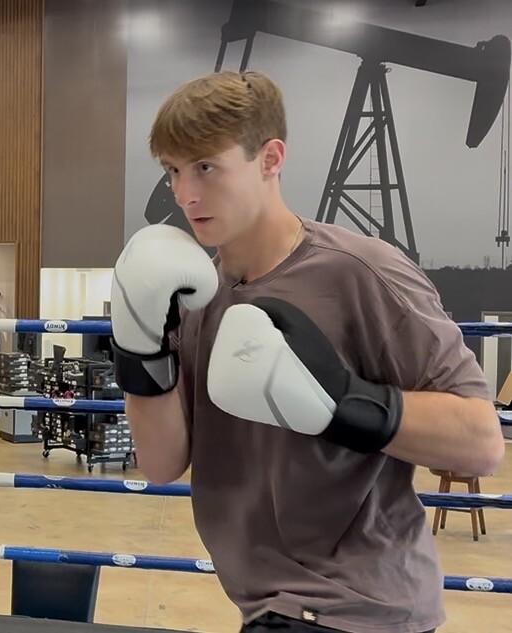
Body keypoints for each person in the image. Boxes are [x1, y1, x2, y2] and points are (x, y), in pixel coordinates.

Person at [109, 70, 505, 633]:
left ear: (270, 159)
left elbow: (481, 442)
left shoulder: (361, 272)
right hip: (265, 604)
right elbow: (161, 465)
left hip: (362, 607)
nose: (185, 194)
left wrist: (343, 403)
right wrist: (139, 346)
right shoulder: (193, 293)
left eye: (206, 167)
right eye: (173, 170)